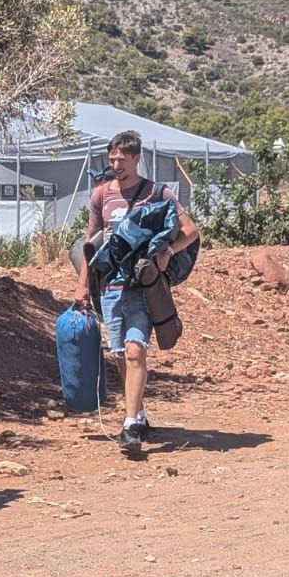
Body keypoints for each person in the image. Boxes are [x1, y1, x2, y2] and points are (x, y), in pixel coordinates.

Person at [72, 130, 201, 455]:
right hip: (110, 289)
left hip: (142, 288)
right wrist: (82, 287)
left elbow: (191, 231)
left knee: (135, 350)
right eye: (111, 158)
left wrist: (168, 251)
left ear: (136, 158)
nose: (116, 164)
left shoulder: (157, 193)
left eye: (122, 158)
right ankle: (139, 413)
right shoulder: (101, 195)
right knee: (120, 354)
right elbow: (91, 242)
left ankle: (130, 425)